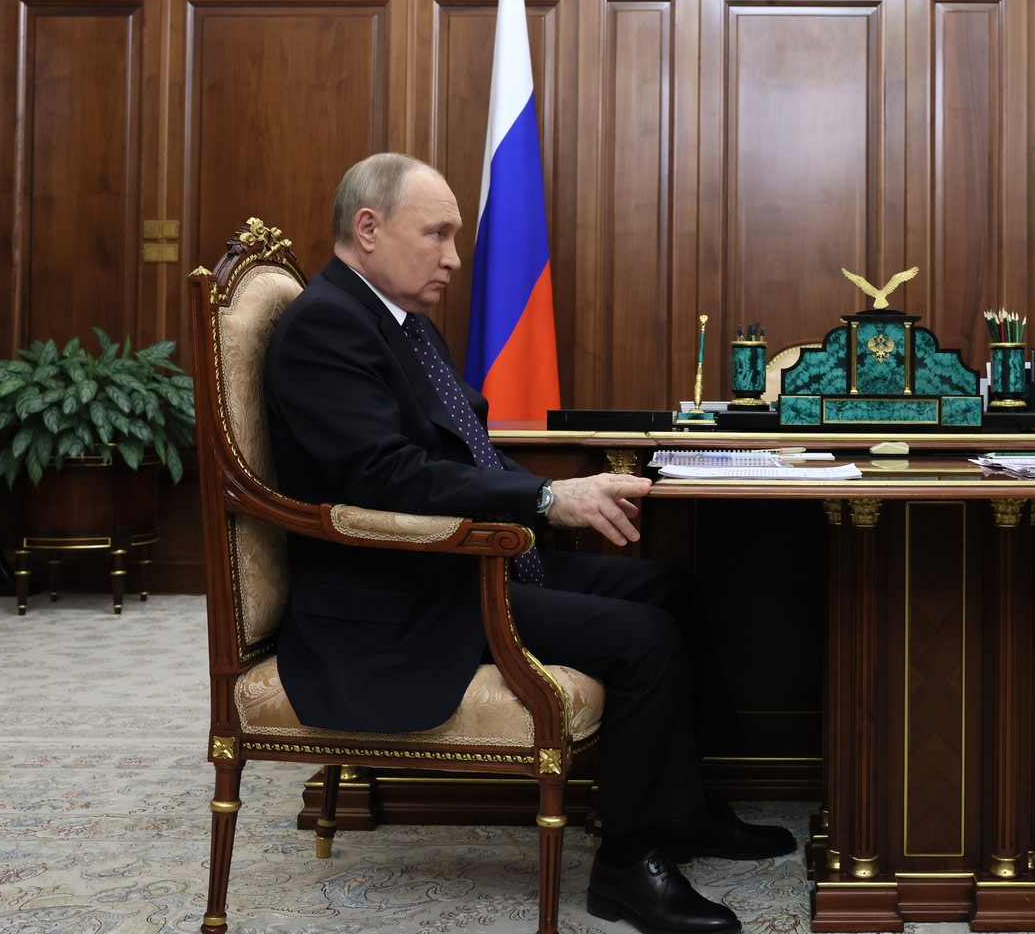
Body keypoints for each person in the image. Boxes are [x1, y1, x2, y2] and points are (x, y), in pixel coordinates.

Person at [265, 152, 794, 934]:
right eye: (437, 234)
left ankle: (681, 810)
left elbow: (470, 453)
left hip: (456, 565)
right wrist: (546, 497)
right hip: (396, 597)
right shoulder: (325, 326)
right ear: (368, 228)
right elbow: (386, 479)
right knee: (642, 638)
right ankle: (627, 867)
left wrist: (550, 497)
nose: (454, 257)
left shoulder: (403, 325)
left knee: (671, 590)